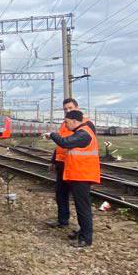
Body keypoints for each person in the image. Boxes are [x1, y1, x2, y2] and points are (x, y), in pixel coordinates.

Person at [43, 110, 100, 248]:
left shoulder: (84, 133)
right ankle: (83, 234)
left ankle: (86, 239)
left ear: (75, 121)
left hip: (82, 175)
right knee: (81, 207)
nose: (66, 126)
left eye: (67, 123)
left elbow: (65, 142)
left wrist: (52, 135)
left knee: (83, 208)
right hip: (78, 174)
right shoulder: (81, 132)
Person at [46, 97, 82, 231]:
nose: (67, 111)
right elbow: (59, 145)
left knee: (79, 198)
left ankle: (81, 227)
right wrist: (53, 161)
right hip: (61, 164)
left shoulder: (82, 123)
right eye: (65, 109)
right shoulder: (64, 124)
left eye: (70, 108)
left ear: (77, 108)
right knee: (60, 194)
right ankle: (62, 220)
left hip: (73, 165)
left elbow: (67, 142)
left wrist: (53, 136)